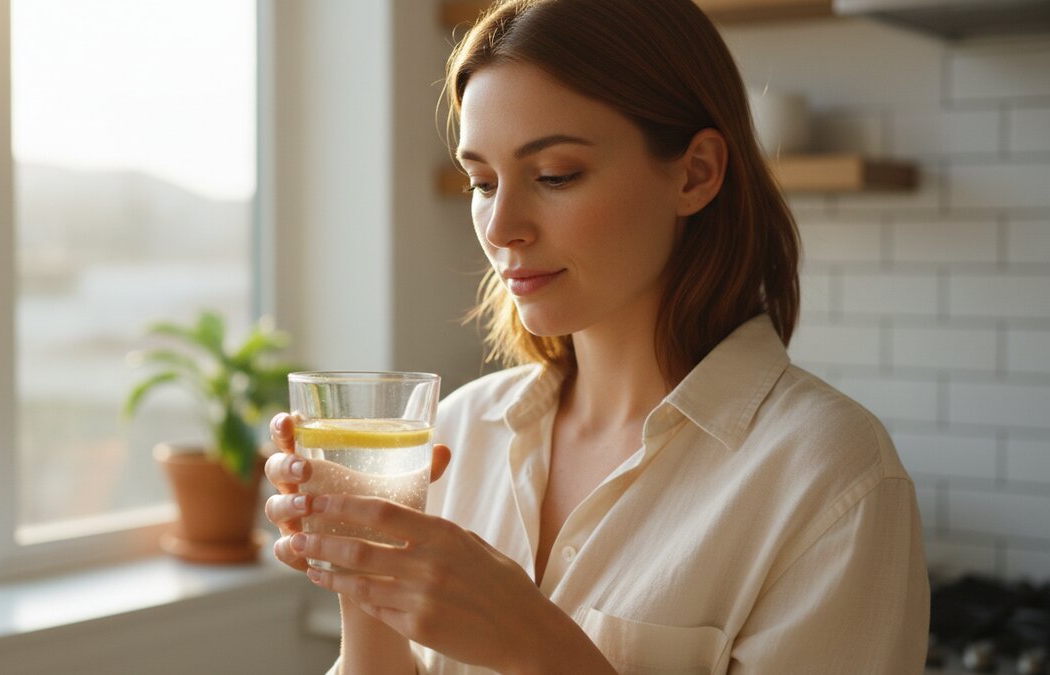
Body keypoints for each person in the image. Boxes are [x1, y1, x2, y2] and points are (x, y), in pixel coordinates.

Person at [265, 0, 930, 672]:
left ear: (696, 173)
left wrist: (535, 643)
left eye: (555, 175)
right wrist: (359, 565)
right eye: (482, 181)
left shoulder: (833, 475)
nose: (500, 227)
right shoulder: (456, 431)